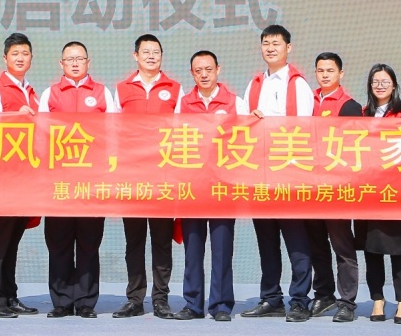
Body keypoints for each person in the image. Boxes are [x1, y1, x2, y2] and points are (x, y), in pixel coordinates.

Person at [39, 41, 119, 317]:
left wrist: (110, 168)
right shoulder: (50, 93)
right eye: (69, 59)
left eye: (79, 58)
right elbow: (40, 135)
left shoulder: (101, 93)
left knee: (88, 242)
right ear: (61, 64)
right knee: (58, 241)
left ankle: (85, 302)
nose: (75, 63)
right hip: (59, 180)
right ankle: (61, 301)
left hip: (92, 180)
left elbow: (114, 131)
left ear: (88, 62)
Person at [242, 25, 313, 322]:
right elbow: (244, 126)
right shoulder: (254, 84)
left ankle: (300, 300)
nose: (270, 48)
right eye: (266, 43)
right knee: (267, 240)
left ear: (288, 48)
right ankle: (271, 298)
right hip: (261, 174)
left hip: (290, 174)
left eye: (276, 43)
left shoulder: (298, 85)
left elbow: (306, 130)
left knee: (297, 241)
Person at [175, 50, 247, 321]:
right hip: (193, 187)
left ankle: (221, 305)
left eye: (208, 69)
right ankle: (193, 304)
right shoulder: (184, 103)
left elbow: (248, 139)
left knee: (222, 248)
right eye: (198, 70)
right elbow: (174, 140)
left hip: (223, 187)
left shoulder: (235, 102)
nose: (204, 75)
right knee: (193, 250)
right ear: (192, 73)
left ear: (218, 69)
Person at [113, 34, 180, 320]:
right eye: (146, 52)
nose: (151, 56)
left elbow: (184, 130)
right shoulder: (122, 89)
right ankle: (135, 299)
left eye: (156, 52)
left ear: (162, 56)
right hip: (132, 176)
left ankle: (161, 299)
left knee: (162, 241)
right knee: (134, 241)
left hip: (163, 176)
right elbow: (111, 130)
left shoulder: (175, 89)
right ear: (136, 56)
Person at [0, 33, 40, 318]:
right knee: (0, 237)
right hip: (3, 176)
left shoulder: (31, 92)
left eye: (25, 53)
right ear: (5, 58)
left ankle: (9, 295)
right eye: (15, 53)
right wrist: (16, 115)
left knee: (14, 238)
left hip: (26, 177)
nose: (20, 58)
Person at [307, 52, 362, 323]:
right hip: (310, 187)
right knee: (316, 245)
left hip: (337, 189)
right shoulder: (307, 101)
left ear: (341, 73)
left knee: (342, 246)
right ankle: (324, 294)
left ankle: (347, 301)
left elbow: (353, 150)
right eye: (320, 70)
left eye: (330, 70)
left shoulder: (349, 106)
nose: (325, 75)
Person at [359, 64, 401, 325]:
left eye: (385, 81)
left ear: (394, 86)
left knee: (399, 249)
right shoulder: (362, 114)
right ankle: (377, 299)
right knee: (372, 249)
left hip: (396, 193)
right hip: (369, 192)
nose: (380, 86)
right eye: (375, 82)